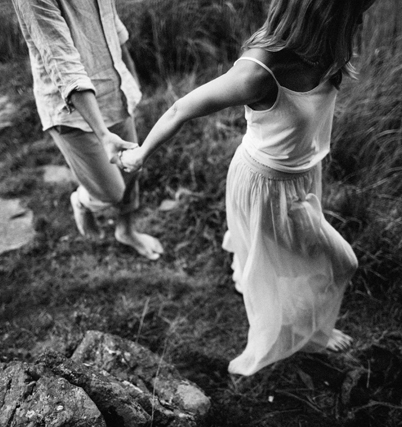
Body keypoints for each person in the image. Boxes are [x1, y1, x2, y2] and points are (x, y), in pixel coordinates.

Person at [119, 0, 375, 375]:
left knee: (286, 256)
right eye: (353, 14)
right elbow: (181, 109)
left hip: (303, 176)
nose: (359, 20)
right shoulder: (258, 72)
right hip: (265, 186)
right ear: (322, 12)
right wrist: (140, 154)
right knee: (340, 262)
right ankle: (310, 335)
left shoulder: (327, 48)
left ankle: (260, 278)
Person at [10, 0, 164, 260]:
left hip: (115, 92)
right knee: (112, 191)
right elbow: (62, 62)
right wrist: (103, 134)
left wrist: (131, 78)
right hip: (71, 110)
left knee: (131, 170)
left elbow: (112, 27)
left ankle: (126, 231)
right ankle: (82, 200)